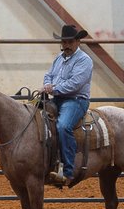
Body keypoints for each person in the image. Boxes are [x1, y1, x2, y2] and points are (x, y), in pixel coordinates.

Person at [39, 24, 93, 186]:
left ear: (77, 42)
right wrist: (47, 85)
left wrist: (53, 89)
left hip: (76, 100)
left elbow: (75, 84)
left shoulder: (84, 60)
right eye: (64, 42)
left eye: (70, 42)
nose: (67, 45)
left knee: (63, 126)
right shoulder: (59, 58)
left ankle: (68, 171)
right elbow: (48, 75)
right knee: (36, 120)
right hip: (58, 98)